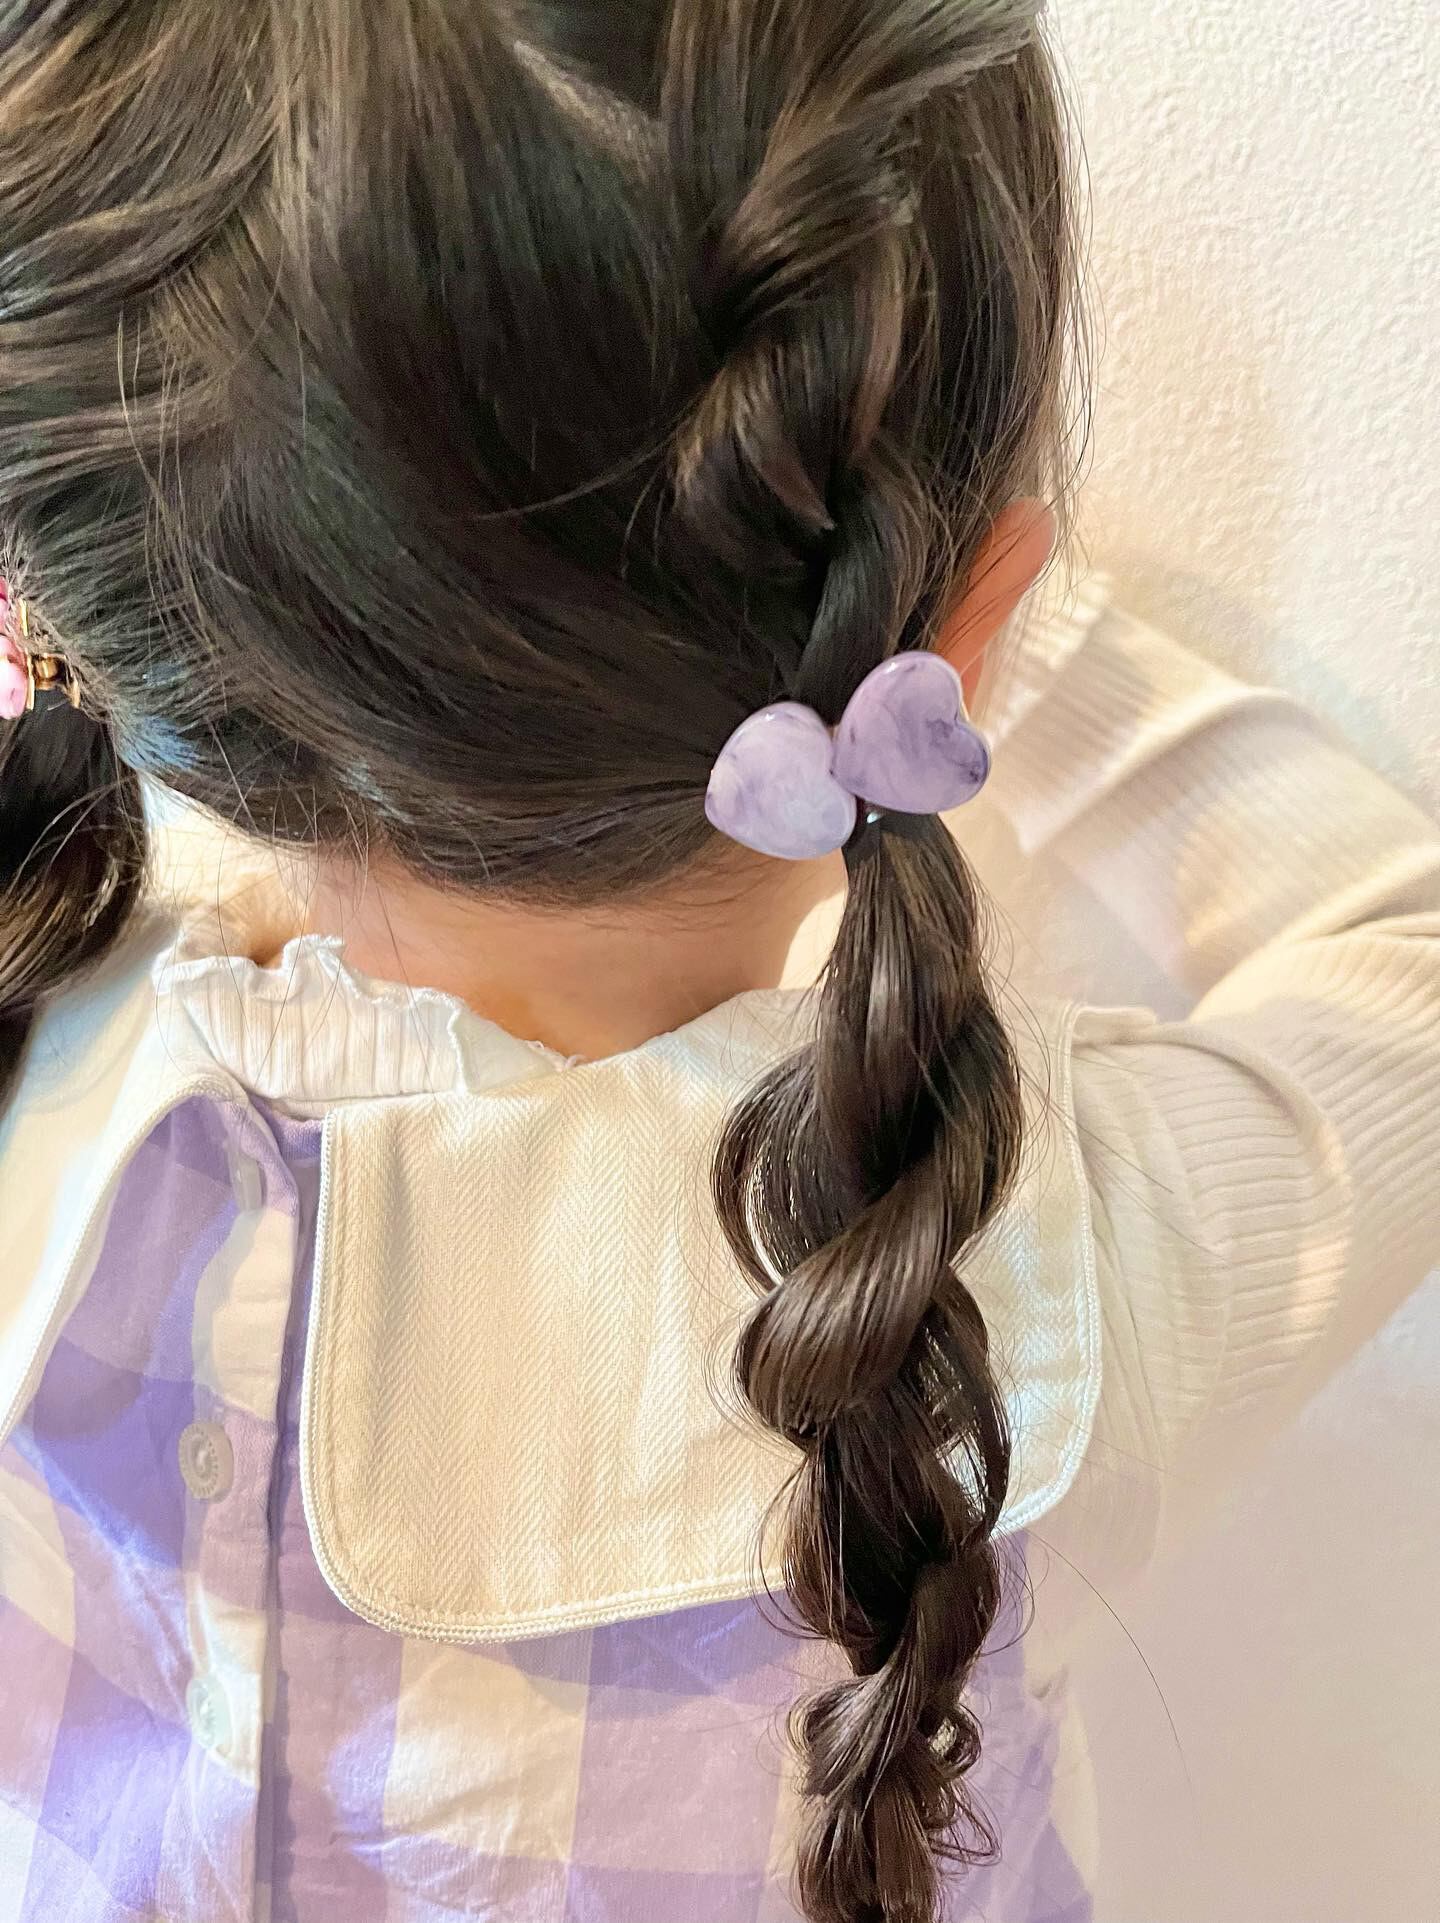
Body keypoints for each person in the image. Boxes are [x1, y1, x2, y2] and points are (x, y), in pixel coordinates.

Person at [0, 2, 1436, 1919]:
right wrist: (1022, 647)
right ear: (947, 627)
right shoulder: (1050, 1271)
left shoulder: (40, 1055)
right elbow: (1407, 971)